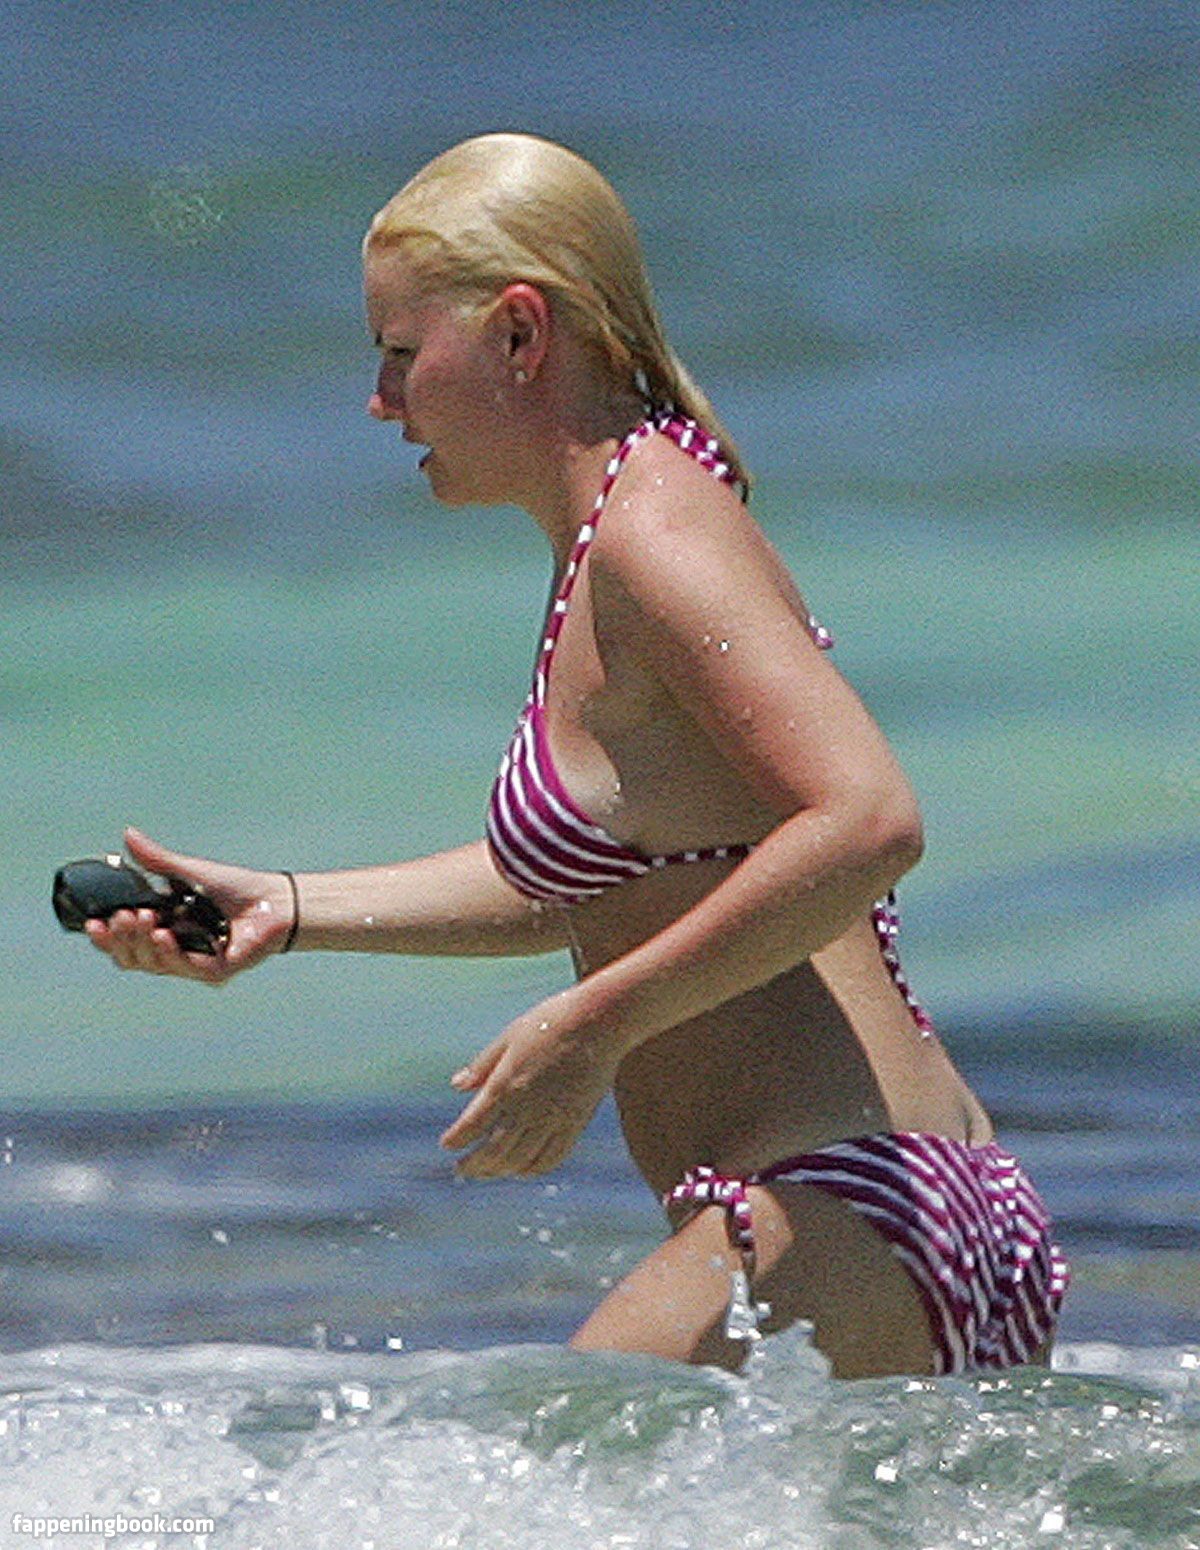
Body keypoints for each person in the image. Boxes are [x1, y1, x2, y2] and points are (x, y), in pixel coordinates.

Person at [84, 132, 1069, 1379]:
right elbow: (602, 876)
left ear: (518, 332)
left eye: (401, 353)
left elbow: (870, 819)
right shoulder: (620, 533)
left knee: (507, 1475)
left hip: (850, 1204)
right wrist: (289, 907)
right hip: (908, 1217)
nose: (379, 401)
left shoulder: (655, 535)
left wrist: (595, 1024)